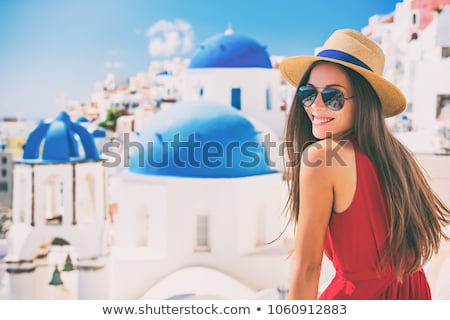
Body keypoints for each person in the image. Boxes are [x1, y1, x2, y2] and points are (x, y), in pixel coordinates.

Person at [279, 29, 450, 299]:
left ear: (363, 103)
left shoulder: (322, 157)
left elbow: (308, 268)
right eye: (308, 93)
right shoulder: (396, 156)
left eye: (333, 97)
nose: (316, 106)